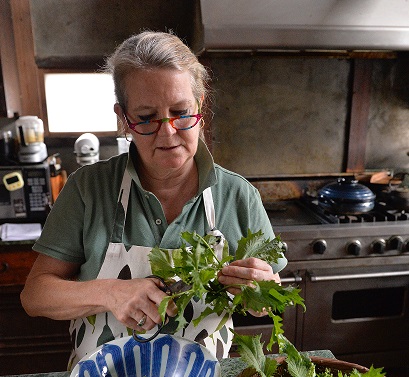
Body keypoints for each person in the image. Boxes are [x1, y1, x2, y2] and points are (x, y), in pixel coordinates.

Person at [20, 30, 287, 369]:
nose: (168, 132)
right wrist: (110, 293)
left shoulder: (237, 195)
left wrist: (261, 291)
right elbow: (35, 296)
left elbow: (270, 299)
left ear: (200, 104)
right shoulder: (88, 189)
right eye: (146, 118)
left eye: (181, 112)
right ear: (124, 119)